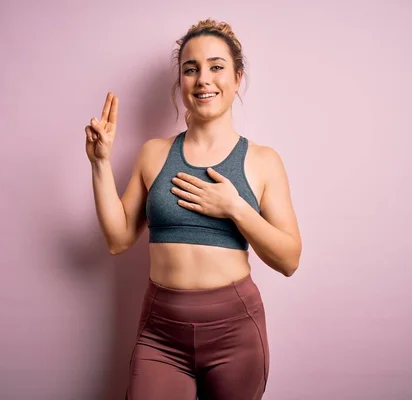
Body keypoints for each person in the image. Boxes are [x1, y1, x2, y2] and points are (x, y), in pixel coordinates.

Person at [85, 19, 302, 400]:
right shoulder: (154, 153)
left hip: (235, 331)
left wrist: (234, 207)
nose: (203, 79)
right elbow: (118, 240)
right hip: (161, 332)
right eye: (191, 69)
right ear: (181, 82)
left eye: (216, 67)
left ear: (237, 78)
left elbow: (289, 260)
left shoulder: (263, 161)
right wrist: (100, 163)